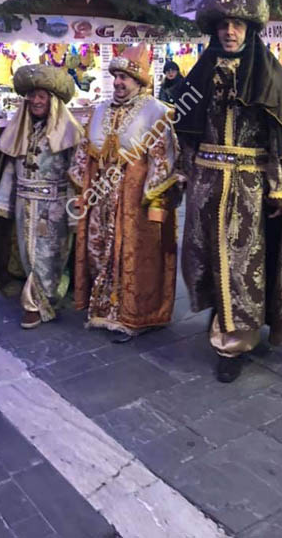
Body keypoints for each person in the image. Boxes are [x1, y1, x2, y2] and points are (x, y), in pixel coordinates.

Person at [175, 0, 282, 382]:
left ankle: (234, 343)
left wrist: (278, 186)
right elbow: (184, 131)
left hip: (248, 184)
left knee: (242, 263)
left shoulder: (267, 74)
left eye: (238, 25)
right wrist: (182, 173)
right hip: (207, 181)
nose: (230, 32)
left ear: (249, 30)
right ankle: (223, 316)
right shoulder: (199, 74)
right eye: (223, 25)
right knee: (207, 256)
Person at [69, 43, 179, 342]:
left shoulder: (157, 112)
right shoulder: (100, 109)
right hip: (101, 199)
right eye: (115, 76)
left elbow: (162, 162)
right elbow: (85, 154)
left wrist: (156, 203)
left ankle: (133, 315)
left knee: (133, 257)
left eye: (125, 77)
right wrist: (83, 191)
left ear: (139, 81)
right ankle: (103, 308)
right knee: (100, 251)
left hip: (136, 203)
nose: (118, 82)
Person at [0, 65, 83, 329]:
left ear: (52, 100)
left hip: (54, 206)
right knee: (29, 256)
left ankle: (37, 304)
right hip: (22, 204)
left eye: (42, 96)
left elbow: (77, 174)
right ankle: (41, 297)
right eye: (32, 95)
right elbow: (9, 168)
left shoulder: (70, 132)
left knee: (49, 258)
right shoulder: (21, 129)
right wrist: (3, 202)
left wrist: (75, 212)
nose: (35, 100)